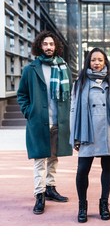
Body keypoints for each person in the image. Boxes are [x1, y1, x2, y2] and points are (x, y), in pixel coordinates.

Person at [17, 30, 72, 215]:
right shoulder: (31, 69)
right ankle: (39, 195)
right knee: (40, 159)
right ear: (40, 46)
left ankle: (50, 187)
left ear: (56, 47)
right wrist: (28, 112)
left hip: (58, 121)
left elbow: (69, 94)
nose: (49, 47)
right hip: (38, 121)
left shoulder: (63, 67)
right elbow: (22, 94)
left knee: (53, 157)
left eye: (52, 44)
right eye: (46, 44)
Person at [69, 48, 110, 223]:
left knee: (108, 168)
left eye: (100, 60)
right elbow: (74, 110)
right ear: (88, 62)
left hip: (108, 130)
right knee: (82, 170)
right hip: (86, 131)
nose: (97, 63)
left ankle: (104, 204)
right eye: (93, 60)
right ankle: (82, 206)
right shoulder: (80, 82)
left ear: (105, 61)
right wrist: (74, 135)